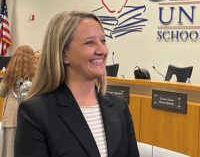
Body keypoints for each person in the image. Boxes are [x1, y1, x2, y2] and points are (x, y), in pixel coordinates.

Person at [14, 11, 139, 157]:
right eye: (90, 42)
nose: (102, 50)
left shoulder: (119, 107)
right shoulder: (35, 113)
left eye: (103, 41)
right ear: (64, 55)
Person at [0, 45, 36, 157]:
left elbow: (1, 92)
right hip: (29, 114)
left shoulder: (10, 73)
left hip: (11, 114)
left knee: (10, 149)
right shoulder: (36, 74)